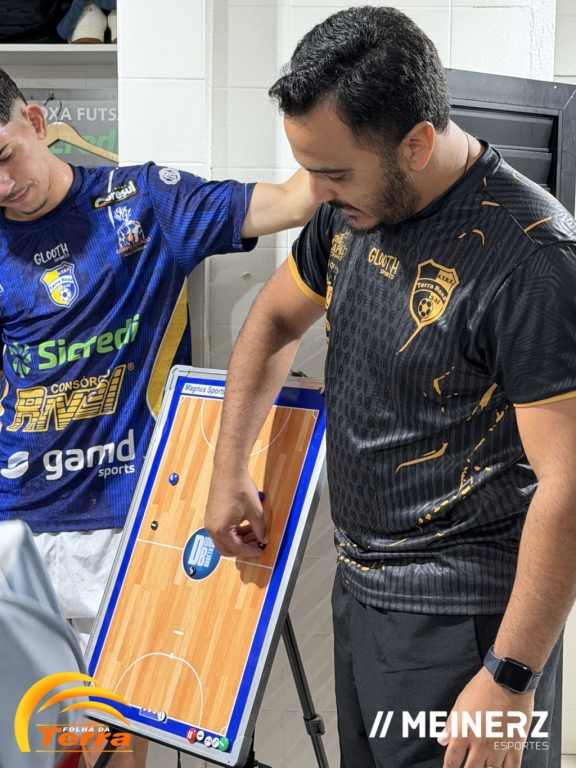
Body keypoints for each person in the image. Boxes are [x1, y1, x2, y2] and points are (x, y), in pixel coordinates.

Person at [204, 6, 576, 768]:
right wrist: (228, 464)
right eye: (309, 168)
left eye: (334, 173)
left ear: (416, 143)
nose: (314, 191)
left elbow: (569, 484)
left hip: (469, 626)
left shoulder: (534, 259)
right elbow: (273, 320)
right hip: (362, 598)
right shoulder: (349, 213)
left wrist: (510, 677)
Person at [0, 67, 316, 767]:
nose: (2, 185)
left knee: (111, 742)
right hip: (14, 527)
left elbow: (295, 199)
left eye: (4, 156)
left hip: (124, 525)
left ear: (34, 122)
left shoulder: (143, 201)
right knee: (27, 744)